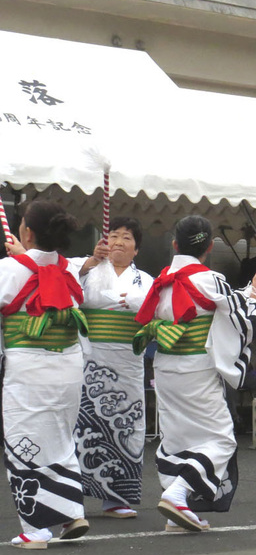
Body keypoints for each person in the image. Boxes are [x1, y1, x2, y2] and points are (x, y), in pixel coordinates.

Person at [133, 215, 256, 532]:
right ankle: (179, 495)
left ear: (174, 244)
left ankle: (177, 508)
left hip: (165, 366)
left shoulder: (161, 280)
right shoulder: (210, 280)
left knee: (178, 437)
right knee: (221, 440)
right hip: (197, 368)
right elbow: (244, 322)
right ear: (209, 248)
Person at [1, 200, 90, 549]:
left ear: (27, 232)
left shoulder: (10, 270)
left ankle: (35, 530)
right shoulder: (68, 270)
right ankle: (71, 512)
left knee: (25, 443)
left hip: (29, 368)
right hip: (68, 367)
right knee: (61, 439)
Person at [73, 217, 154, 519]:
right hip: (90, 363)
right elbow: (66, 288)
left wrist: (137, 303)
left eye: (127, 238)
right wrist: (90, 262)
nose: (119, 242)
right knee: (82, 426)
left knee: (128, 426)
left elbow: (156, 310)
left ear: (136, 249)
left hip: (128, 364)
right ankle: (73, 499)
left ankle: (117, 498)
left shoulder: (146, 281)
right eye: (114, 236)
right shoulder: (88, 272)